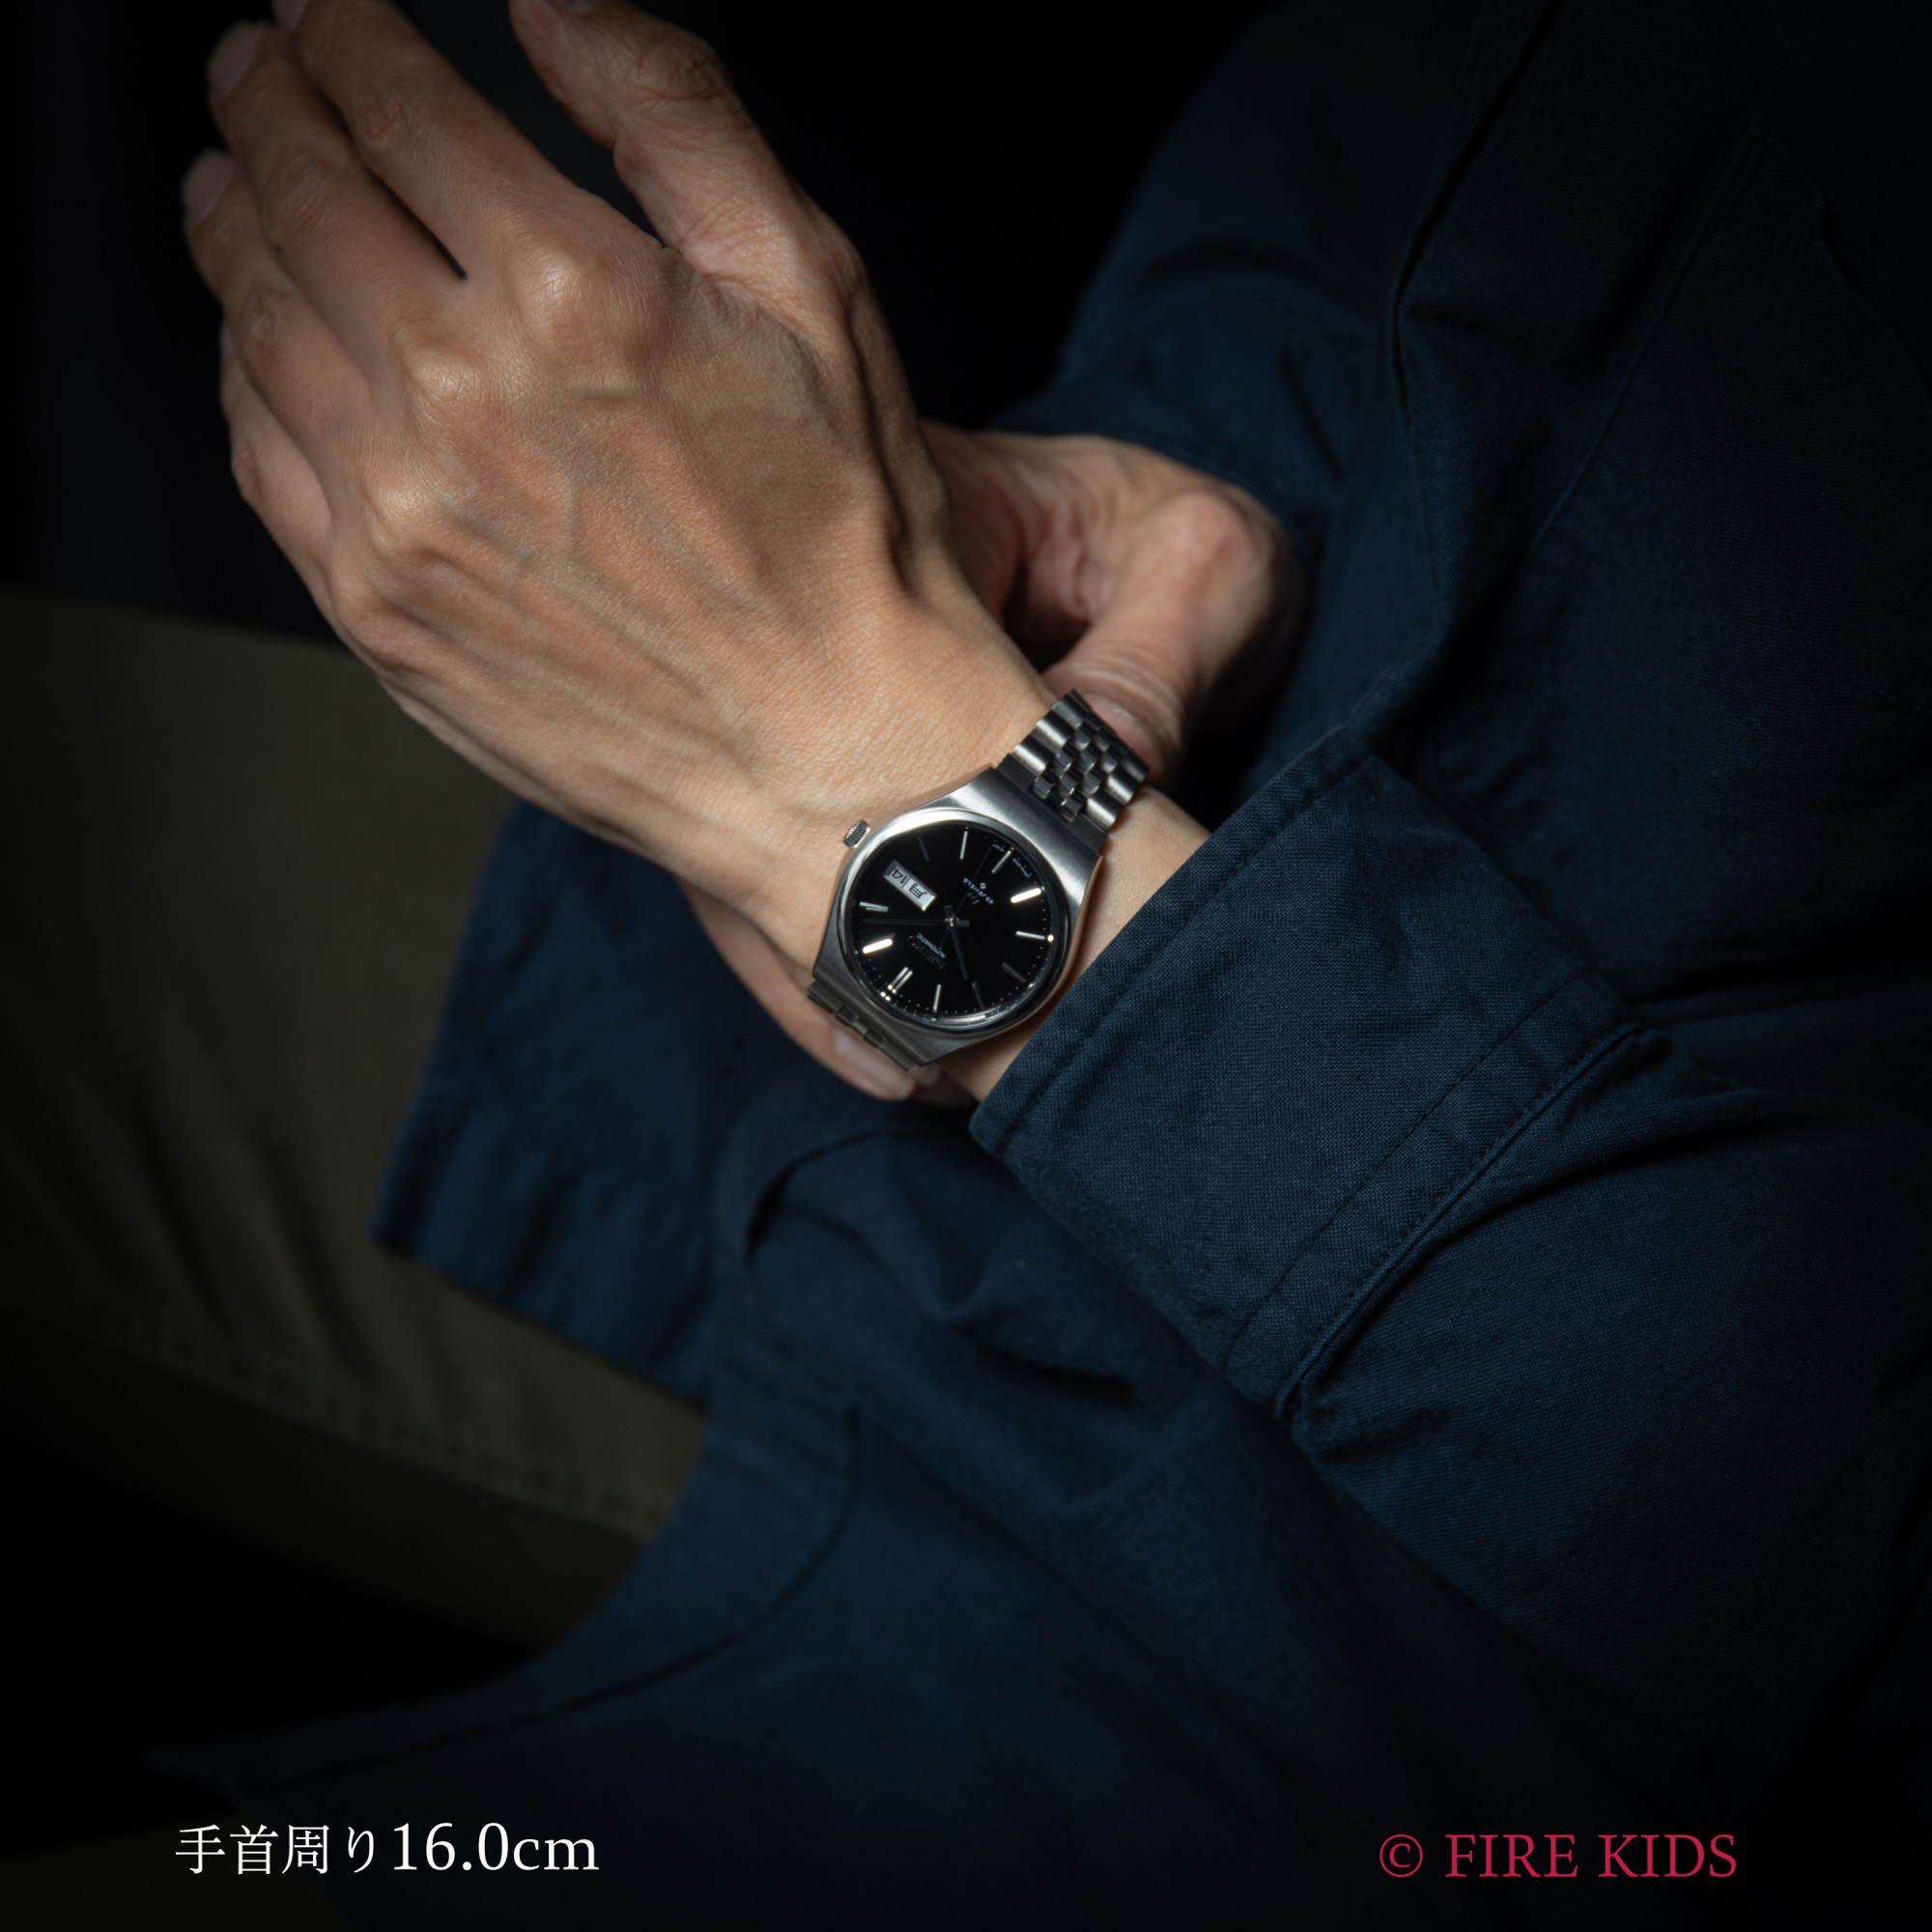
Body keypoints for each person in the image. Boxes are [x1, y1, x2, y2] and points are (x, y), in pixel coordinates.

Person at [7, 0, 1929, 1923]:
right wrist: (1149, 509)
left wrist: (886, 776)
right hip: (736, 1004)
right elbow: (1460, 123)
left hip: (1323, 1713)